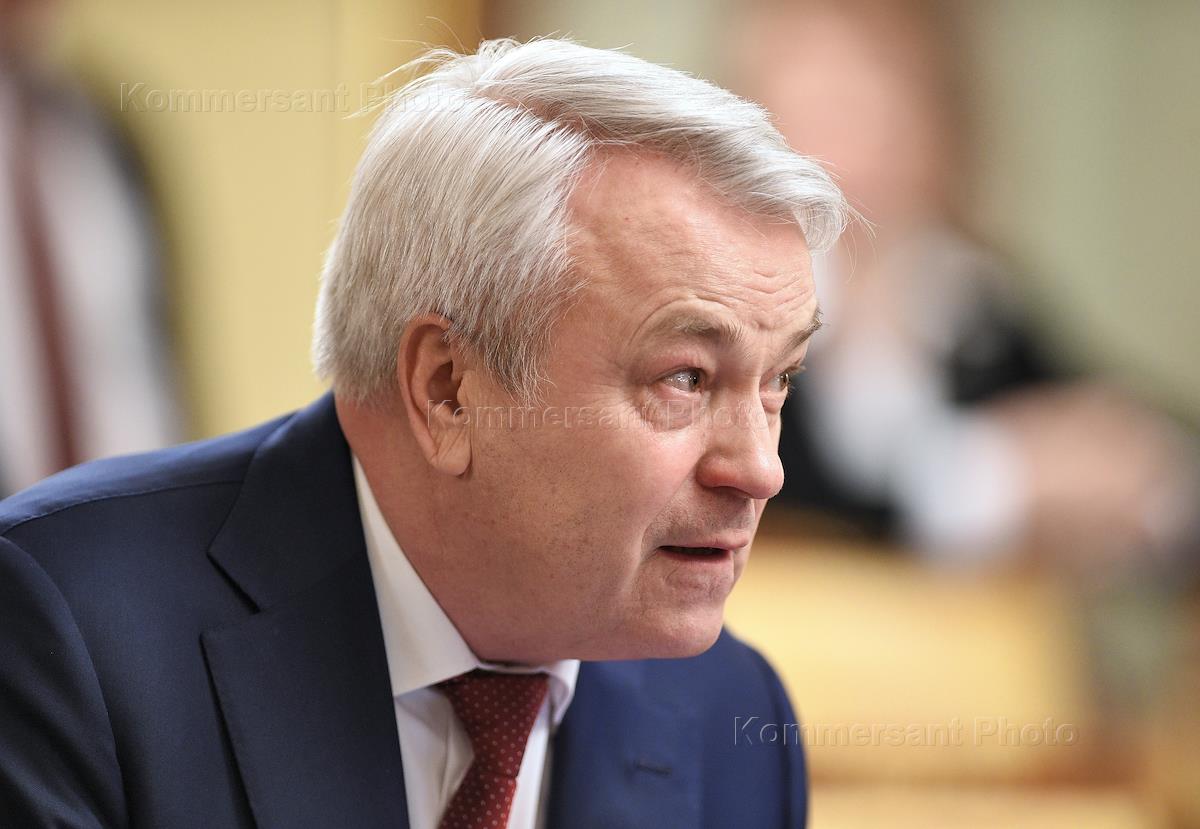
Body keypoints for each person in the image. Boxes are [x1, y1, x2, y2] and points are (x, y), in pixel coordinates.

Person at [0, 38, 848, 828]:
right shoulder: (68, 634)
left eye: (779, 380)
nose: (760, 468)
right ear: (447, 389)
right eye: (686, 378)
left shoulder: (734, 719)